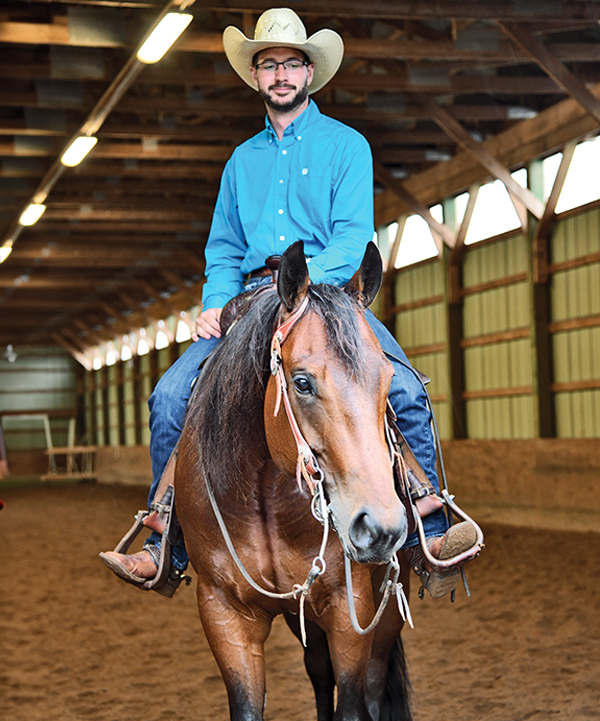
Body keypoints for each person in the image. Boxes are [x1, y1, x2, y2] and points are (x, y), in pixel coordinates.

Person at [100, 8, 479, 599]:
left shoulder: (347, 147)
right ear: (256, 75)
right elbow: (223, 249)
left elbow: (354, 237)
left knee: (402, 387)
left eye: (291, 64)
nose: (281, 74)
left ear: (310, 73)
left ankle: (428, 525)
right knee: (170, 394)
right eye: (269, 64)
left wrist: (301, 284)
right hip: (249, 300)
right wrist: (215, 302)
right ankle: (163, 540)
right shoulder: (239, 162)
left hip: (326, 295)